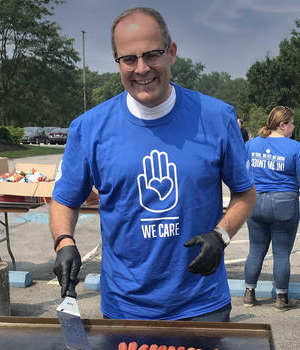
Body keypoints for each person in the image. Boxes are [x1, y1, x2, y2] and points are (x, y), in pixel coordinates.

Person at [50, 7, 256, 321]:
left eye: (152, 54)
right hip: (125, 309)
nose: (142, 68)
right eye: (129, 59)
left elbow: (245, 193)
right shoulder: (89, 128)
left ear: (171, 53)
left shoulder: (216, 117)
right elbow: (65, 199)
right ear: (117, 61)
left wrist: (221, 235)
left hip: (202, 305)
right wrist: (64, 242)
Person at [243, 106, 300, 311]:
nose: (293, 127)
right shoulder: (295, 148)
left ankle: (249, 294)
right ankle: (281, 299)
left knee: (256, 250)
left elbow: (243, 172)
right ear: (283, 125)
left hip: (256, 201)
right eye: (292, 123)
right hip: (285, 202)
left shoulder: (252, 144)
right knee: (282, 253)